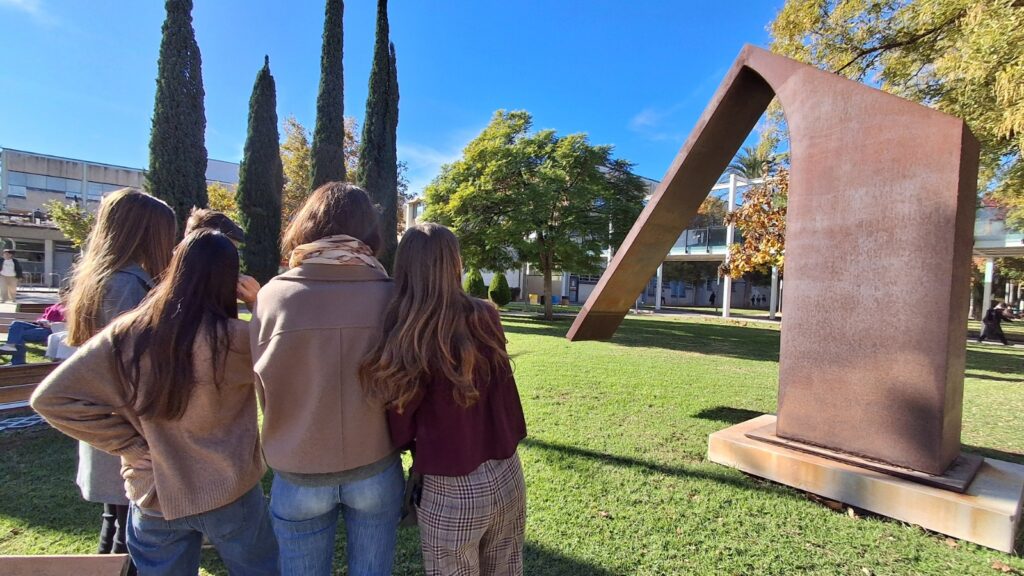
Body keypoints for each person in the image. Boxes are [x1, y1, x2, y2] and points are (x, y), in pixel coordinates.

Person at [32, 230, 277, 575]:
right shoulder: (238, 340)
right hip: (229, 489)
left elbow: (51, 397)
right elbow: (291, 362)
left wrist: (127, 444)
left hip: (154, 492)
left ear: (174, 269)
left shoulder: (127, 334)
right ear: (229, 279)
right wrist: (260, 303)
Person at [251, 182, 403, 576]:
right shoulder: (392, 296)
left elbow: (263, 387)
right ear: (370, 230)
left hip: (298, 469)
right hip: (375, 464)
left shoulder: (272, 297)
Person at [361, 223, 528, 576]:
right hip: (508, 473)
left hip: (450, 486)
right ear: (454, 263)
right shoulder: (485, 315)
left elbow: (401, 426)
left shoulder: (408, 331)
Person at [63, 188, 178, 565]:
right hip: (128, 427)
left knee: (117, 523)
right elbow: (134, 369)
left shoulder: (104, 278)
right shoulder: (127, 286)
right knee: (133, 537)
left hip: (113, 428)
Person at [0, 301, 66, 365]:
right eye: (59, 294)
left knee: (18, 335)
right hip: (42, 327)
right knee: (16, 324)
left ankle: (17, 361)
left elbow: (67, 324)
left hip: (53, 331)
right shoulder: (56, 305)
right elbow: (44, 317)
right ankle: (11, 346)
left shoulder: (68, 307)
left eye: (62, 294)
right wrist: (41, 321)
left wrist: (51, 325)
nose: (60, 297)